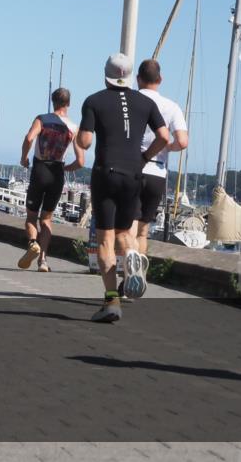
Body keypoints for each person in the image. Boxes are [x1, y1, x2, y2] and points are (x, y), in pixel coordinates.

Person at [75, 53, 169, 323]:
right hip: (134, 173)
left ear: (105, 74)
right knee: (125, 233)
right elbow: (164, 137)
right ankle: (132, 256)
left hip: (106, 173)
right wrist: (144, 157)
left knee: (106, 240)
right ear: (130, 76)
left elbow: (85, 142)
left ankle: (111, 302)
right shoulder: (146, 103)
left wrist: (81, 135)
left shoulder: (94, 101)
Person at [18, 88, 85, 272]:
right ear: (68, 104)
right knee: (46, 219)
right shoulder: (73, 127)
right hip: (57, 173)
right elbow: (80, 161)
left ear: (52, 101)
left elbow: (29, 138)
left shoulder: (41, 119)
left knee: (31, 216)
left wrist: (24, 158)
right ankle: (43, 260)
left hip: (40, 170)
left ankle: (33, 243)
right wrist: (66, 168)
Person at [134, 59, 189, 258]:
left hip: (131, 167)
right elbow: (182, 141)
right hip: (157, 171)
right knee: (142, 231)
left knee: (127, 226)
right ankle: (137, 268)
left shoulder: (129, 100)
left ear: (138, 78)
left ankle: (124, 267)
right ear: (160, 79)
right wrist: (167, 147)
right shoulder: (172, 107)